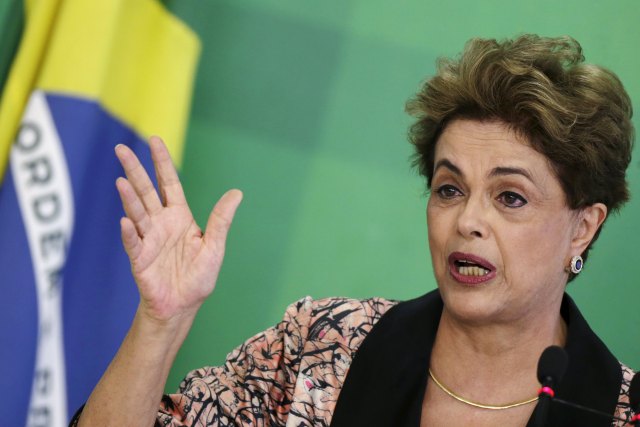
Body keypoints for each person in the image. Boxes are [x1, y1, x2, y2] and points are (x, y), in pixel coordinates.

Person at [73, 34, 636, 426]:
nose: (468, 221)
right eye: (449, 189)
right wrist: (160, 322)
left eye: (510, 197)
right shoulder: (321, 346)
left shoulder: (624, 411)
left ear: (583, 227)